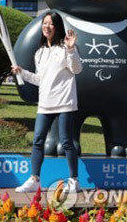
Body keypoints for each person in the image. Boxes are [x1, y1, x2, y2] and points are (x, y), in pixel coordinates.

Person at [12, 11, 83, 194]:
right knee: (38, 141)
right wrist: (22, 73)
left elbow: (77, 69)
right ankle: (35, 179)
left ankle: (74, 181)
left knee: (66, 142)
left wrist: (71, 49)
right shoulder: (39, 53)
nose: (47, 27)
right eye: (45, 23)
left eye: (51, 24)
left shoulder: (66, 49)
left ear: (57, 27)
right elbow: (40, 79)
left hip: (65, 101)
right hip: (45, 103)